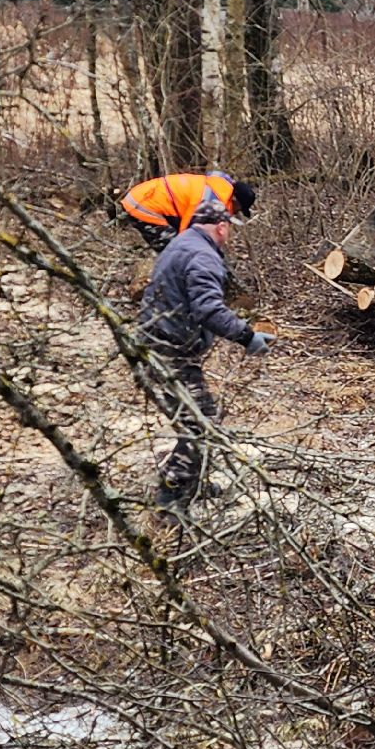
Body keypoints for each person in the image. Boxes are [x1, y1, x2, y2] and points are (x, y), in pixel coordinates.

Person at [136, 198, 274, 523]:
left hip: (159, 344)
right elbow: (209, 309)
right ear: (222, 227)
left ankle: (192, 483)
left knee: (198, 420)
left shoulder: (180, 244)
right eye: (228, 230)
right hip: (168, 351)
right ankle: (169, 501)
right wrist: (247, 336)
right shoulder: (202, 256)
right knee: (200, 424)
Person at [121, 170, 257, 253]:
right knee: (177, 251)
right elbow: (187, 234)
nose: (236, 213)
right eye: (239, 209)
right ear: (235, 201)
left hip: (147, 196)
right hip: (144, 203)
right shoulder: (207, 202)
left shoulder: (220, 186)